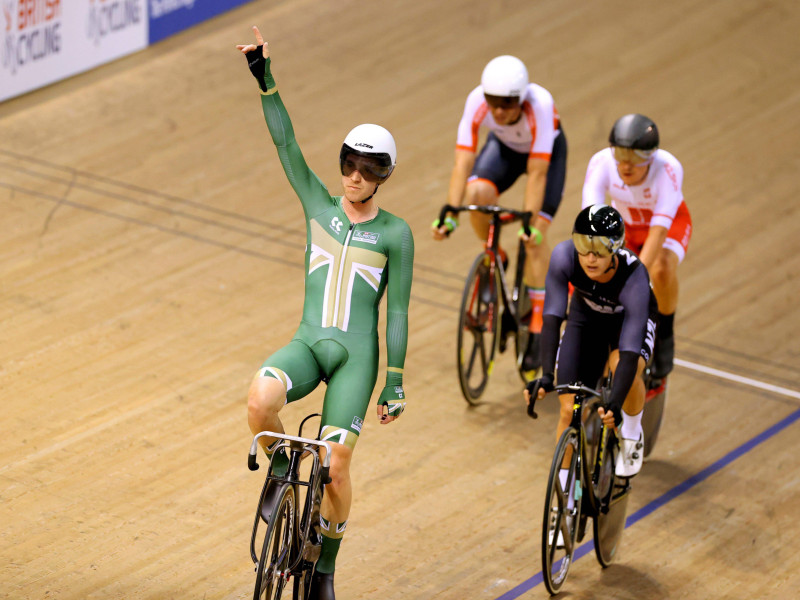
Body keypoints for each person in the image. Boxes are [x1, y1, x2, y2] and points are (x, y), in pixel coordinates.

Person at [237, 27, 414, 600]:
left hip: (356, 362)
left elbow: (398, 314)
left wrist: (394, 382)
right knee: (259, 399)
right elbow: (287, 147)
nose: (353, 175)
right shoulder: (317, 202)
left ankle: (325, 567)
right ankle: (284, 466)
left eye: (367, 168)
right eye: (348, 163)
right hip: (311, 345)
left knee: (336, 467)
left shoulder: (396, 234)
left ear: (384, 174)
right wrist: (266, 80)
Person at [431, 55, 567, 375]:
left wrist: (531, 223)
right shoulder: (476, 102)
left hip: (545, 157)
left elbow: (537, 173)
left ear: (521, 98)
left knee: (534, 239)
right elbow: (463, 160)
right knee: (477, 196)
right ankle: (496, 255)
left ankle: (537, 324)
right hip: (504, 150)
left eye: (507, 103)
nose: (499, 110)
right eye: (494, 102)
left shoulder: (541, 106)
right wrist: (450, 211)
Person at [524, 205, 658, 482]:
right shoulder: (564, 257)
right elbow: (551, 319)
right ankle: (565, 499)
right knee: (567, 408)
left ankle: (632, 434)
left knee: (621, 366)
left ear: (615, 249)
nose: (590, 258)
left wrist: (615, 406)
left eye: (599, 250)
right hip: (586, 319)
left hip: (626, 327)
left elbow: (631, 352)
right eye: (584, 247)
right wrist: (547, 375)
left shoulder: (634, 278)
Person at [582, 114, 691, 379]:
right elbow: (591, 221)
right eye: (620, 154)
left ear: (651, 156)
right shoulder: (602, 162)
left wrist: (633, 276)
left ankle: (665, 334)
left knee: (660, 269)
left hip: (667, 226)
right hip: (626, 226)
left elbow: (659, 231)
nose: (626, 165)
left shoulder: (668, 169)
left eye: (635, 158)